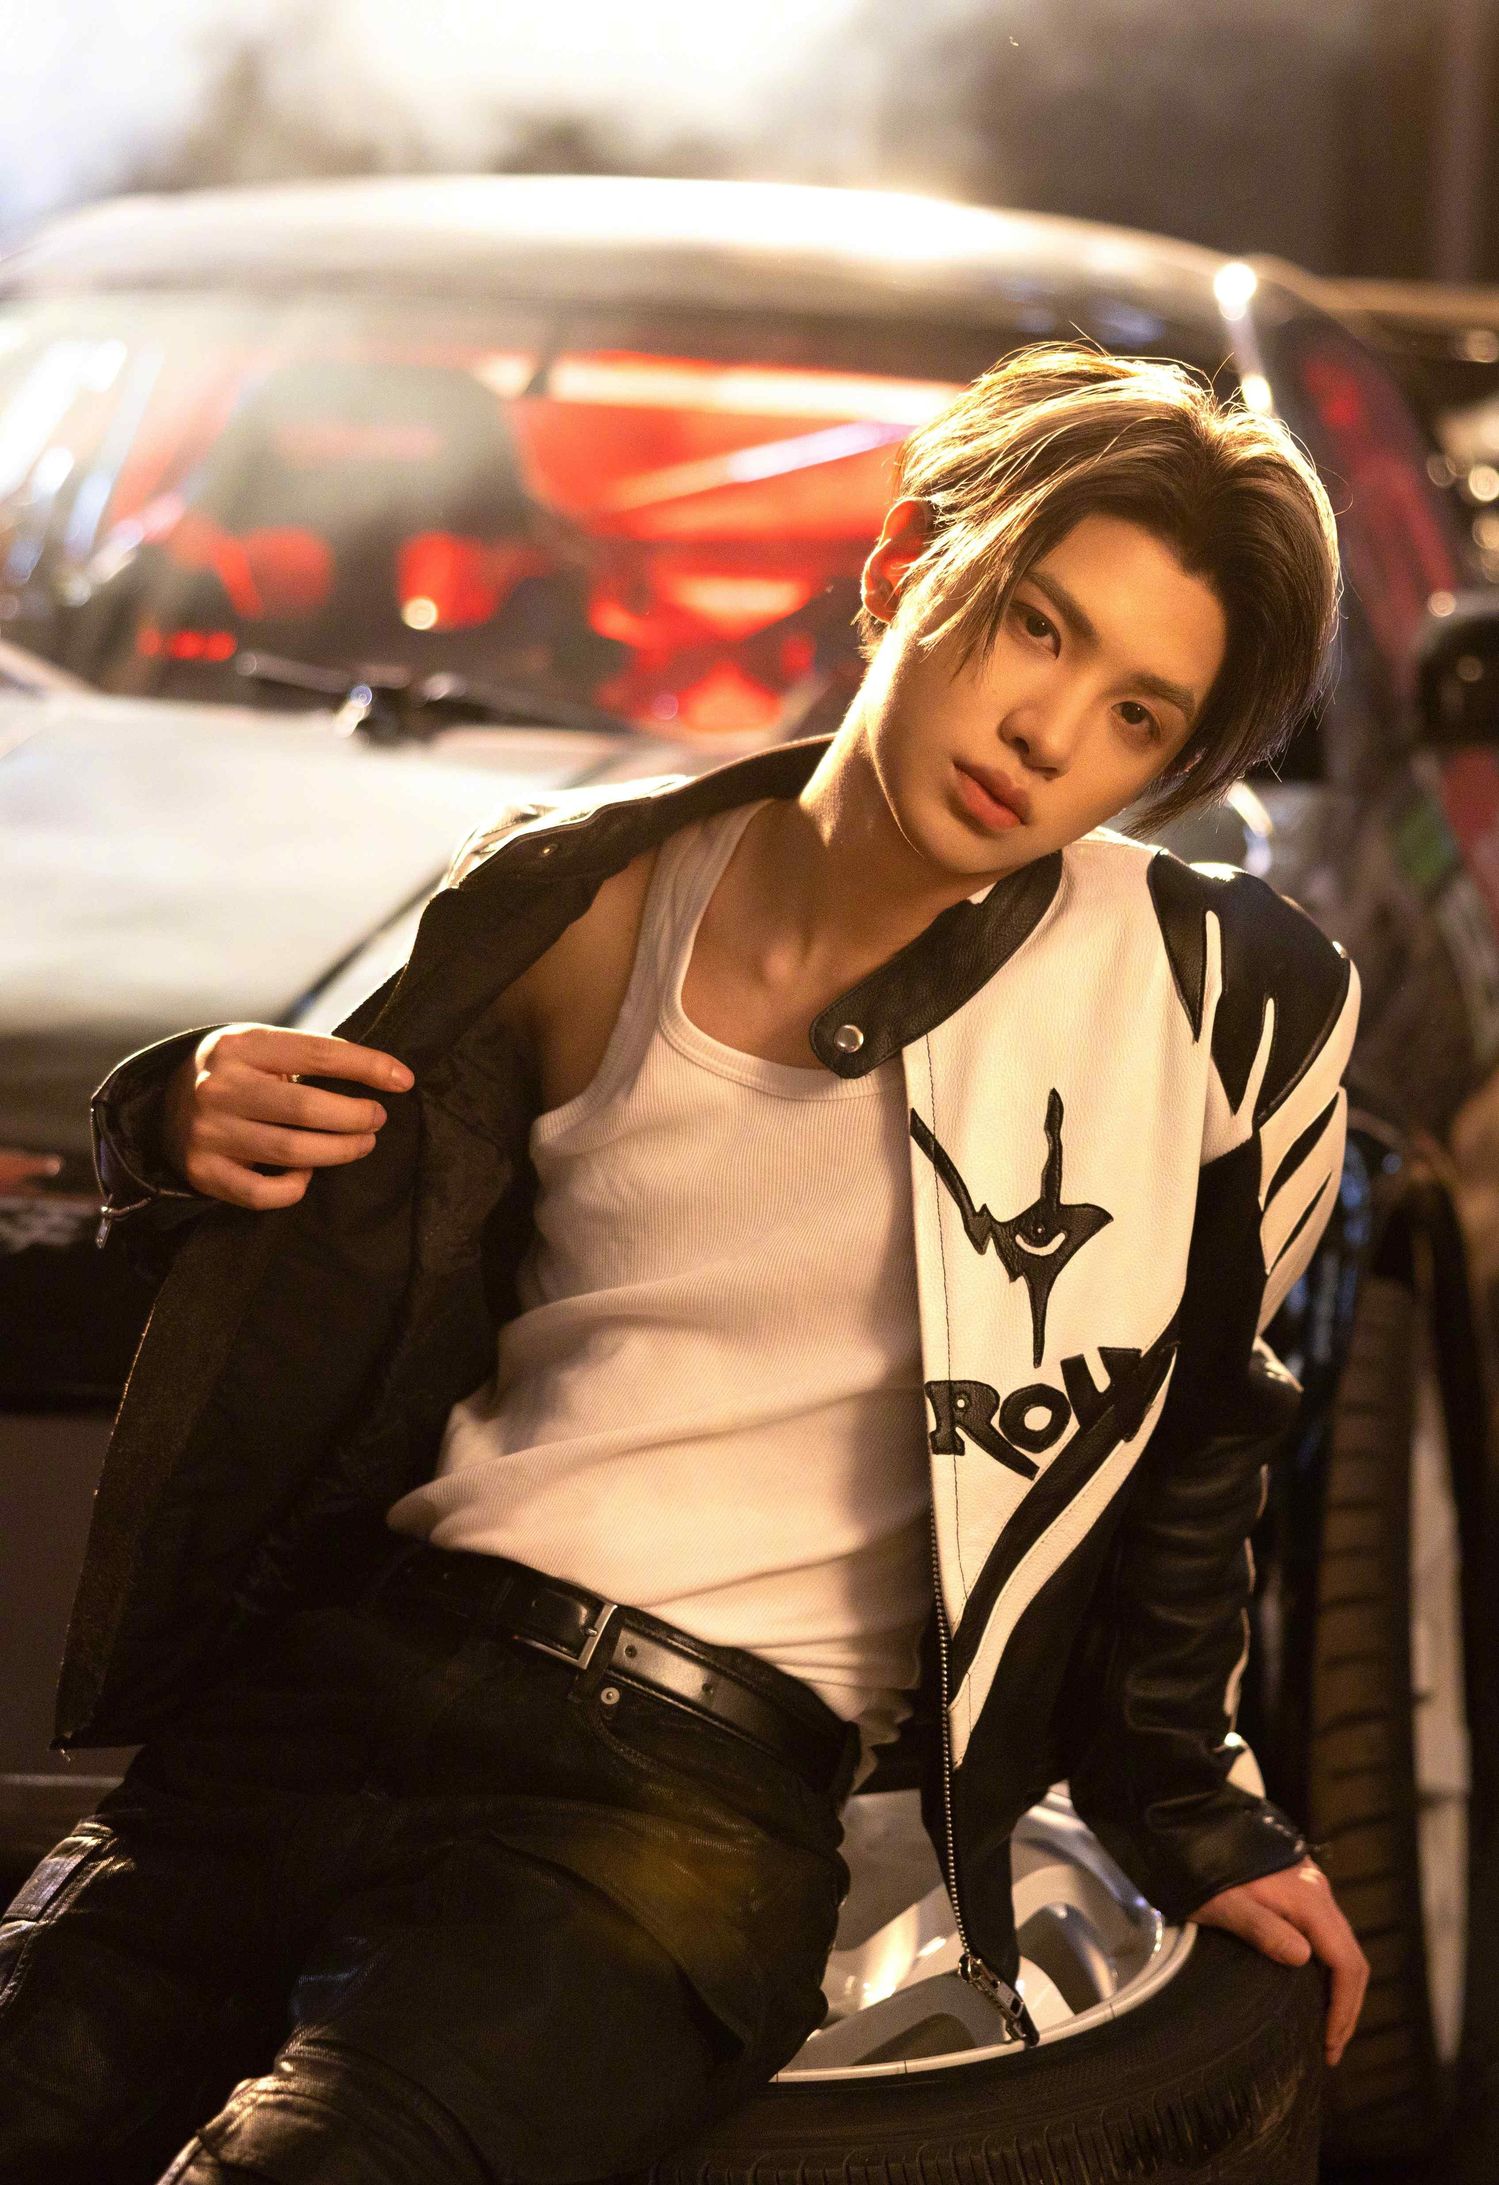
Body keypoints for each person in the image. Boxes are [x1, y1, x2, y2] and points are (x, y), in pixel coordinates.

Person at [1, 344, 1369, 2184]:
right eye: (1037, 627)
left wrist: (1190, 1803)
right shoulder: (581, 898)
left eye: (1138, 714)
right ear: (906, 563)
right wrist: (166, 1121)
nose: (1051, 733)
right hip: (336, 1689)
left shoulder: (1210, 1000)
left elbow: (1207, 1422)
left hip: (672, 1807)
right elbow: (316, 1282)